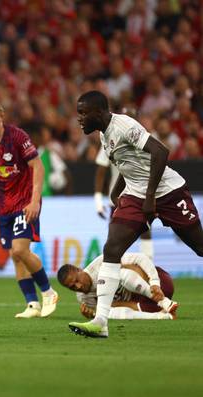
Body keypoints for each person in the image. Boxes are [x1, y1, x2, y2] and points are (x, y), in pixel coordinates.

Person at [70, 90, 203, 338]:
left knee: (200, 247)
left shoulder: (124, 125)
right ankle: (101, 321)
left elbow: (160, 152)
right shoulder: (104, 135)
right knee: (112, 250)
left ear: (98, 112)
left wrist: (151, 196)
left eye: (83, 113)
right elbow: (129, 164)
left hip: (168, 191)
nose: (79, 119)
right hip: (136, 193)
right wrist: (116, 191)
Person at [0, 102, 59, 318]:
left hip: (25, 201)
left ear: (1, 117)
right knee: (15, 256)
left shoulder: (17, 137)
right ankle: (32, 304)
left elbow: (38, 166)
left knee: (19, 250)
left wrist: (35, 201)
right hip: (4, 205)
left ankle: (48, 292)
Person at [57, 253, 178, 320]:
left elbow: (141, 258)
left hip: (159, 285)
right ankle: (161, 316)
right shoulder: (83, 298)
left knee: (119, 272)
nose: (78, 287)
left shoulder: (102, 262)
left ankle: (164, 302)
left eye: (77, 280)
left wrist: (154, 282)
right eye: (72, 287)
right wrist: (92, 315)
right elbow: (110, 307)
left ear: (79, 269)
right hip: (143, 305)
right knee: (106, 311)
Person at [95, 127, 153, 260]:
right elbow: (101, 171)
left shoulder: (144, 139)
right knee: (114, 237)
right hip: (118, 197)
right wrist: (97, 200)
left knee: (145, 232)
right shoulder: (110, 139)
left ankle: (149, 269)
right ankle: (113, 269)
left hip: (140, 193)